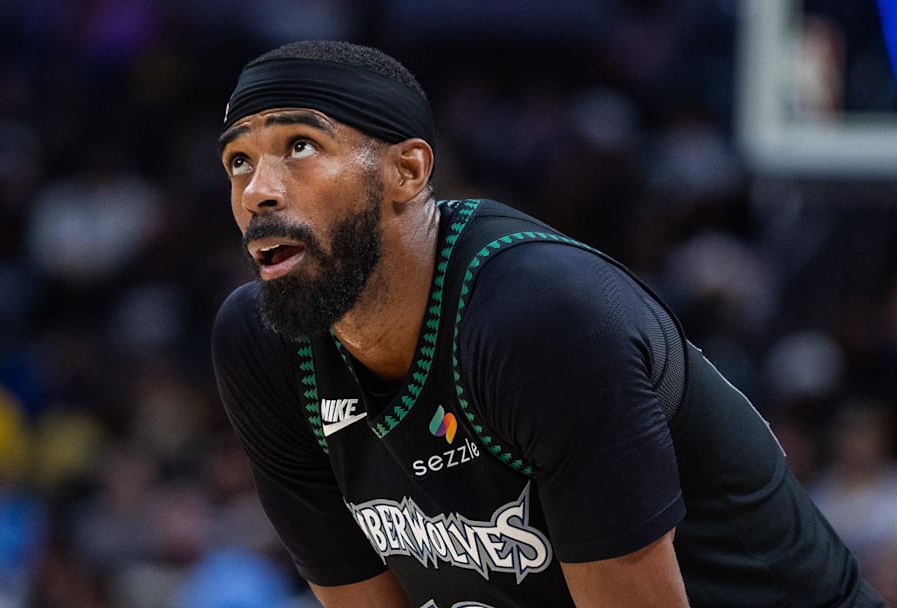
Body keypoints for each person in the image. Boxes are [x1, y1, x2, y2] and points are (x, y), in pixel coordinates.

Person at [210, 40, 886, 607]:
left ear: (408, 171)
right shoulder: (265, 348)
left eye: (299, 146)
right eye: (238, 160)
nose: (256, 189)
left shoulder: (540, 318)